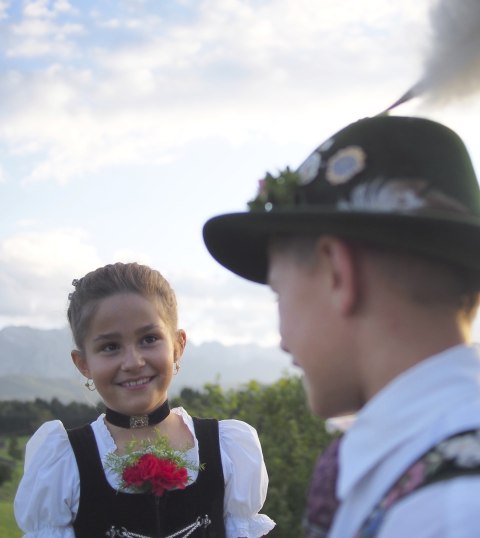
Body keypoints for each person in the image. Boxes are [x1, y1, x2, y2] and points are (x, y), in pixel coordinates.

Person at [202, 114, 480, 537]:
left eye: (280, 294)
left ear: (337, 273)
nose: (282, 340)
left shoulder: (446, 511)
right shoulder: (424, 466)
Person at [14, 262, 275, 538]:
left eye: (149, 339)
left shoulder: (226, 448)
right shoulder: (64, 463)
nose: (133, 362)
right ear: (83, 364)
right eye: (110, 347)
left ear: (178, 345)